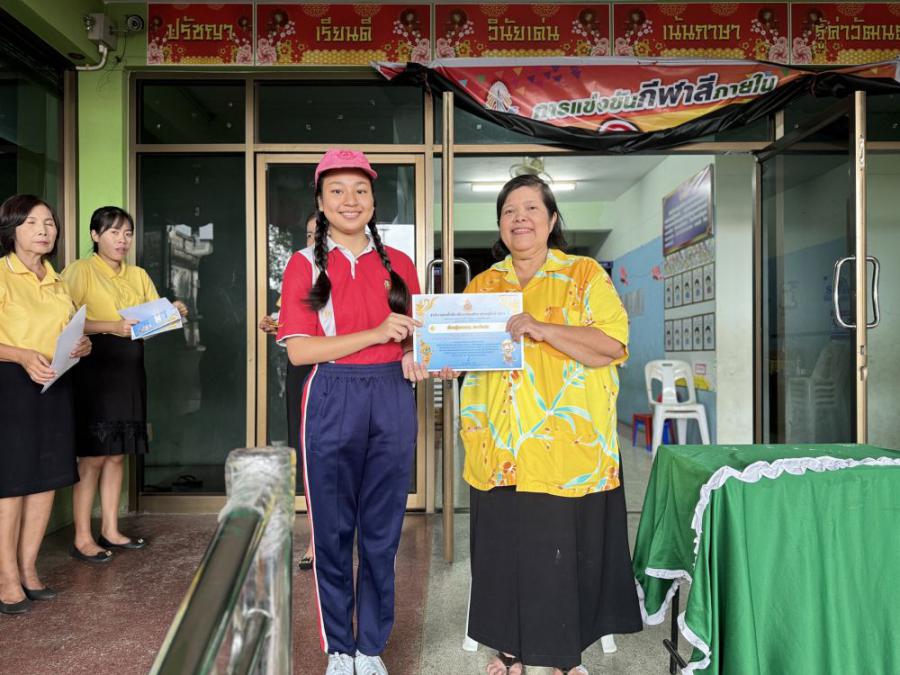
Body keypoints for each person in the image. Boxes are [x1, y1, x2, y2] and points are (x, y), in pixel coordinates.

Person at [458, 175, 642, 675]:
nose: (520, 218)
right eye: (509, 211)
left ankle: (564, 657)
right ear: (500, 224)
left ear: (552, 219)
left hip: (568, 446)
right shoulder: (484, 285)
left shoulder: (583, 274)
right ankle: (510, 650)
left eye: (531, 208)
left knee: (563, 553)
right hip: (498, 444)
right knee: (502, 550)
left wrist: (541, 329)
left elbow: (612, 345)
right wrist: (442, 360)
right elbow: (463, 353)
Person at [276, 149, 426, 675]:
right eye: (336, 190)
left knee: (382, 534)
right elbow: (300, 351)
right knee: (333, 533)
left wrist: (411, 355)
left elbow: (415, 337)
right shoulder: (304, 264)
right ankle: (340, 648)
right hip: (332, 394)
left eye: (360, 190)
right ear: (320, 201)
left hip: (391, 396)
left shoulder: (399, 263)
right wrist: (376, 334)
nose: (350, 200)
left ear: (373, 202)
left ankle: (370, 647)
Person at [62, 206, 187, 562]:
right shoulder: (80, 271)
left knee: (117, 454)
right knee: (93, 456)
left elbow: (151, 322)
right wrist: (111, 326)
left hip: (129, 370)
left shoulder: (138, 274)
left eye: (127, 233)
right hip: (94, 368)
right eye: (114, 232)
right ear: (95, 235)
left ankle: (111, 529)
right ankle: (82, 537)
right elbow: (66, 321)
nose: (122, 240)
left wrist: (173, 312)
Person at [0, 194, 91, 614]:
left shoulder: (57, 281)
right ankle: (6, 577)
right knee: (11, 483)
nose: (43, 230)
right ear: (12, 229)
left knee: (45, 478)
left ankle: (28, 568)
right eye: (33, 223)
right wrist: (20, 355)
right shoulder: (2, 274)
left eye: (49, 223)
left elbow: (68, 330)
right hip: (11, 388)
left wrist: (82, 345)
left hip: (56, 385)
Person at [259, 212, 316, 570]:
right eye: (308, 234)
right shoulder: (298, 271)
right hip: (302, 369)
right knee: (309, 453)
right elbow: (291, 320)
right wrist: (275, 323)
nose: (313, 240)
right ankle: (316, 538)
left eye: (319, 233)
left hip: (339, 368)